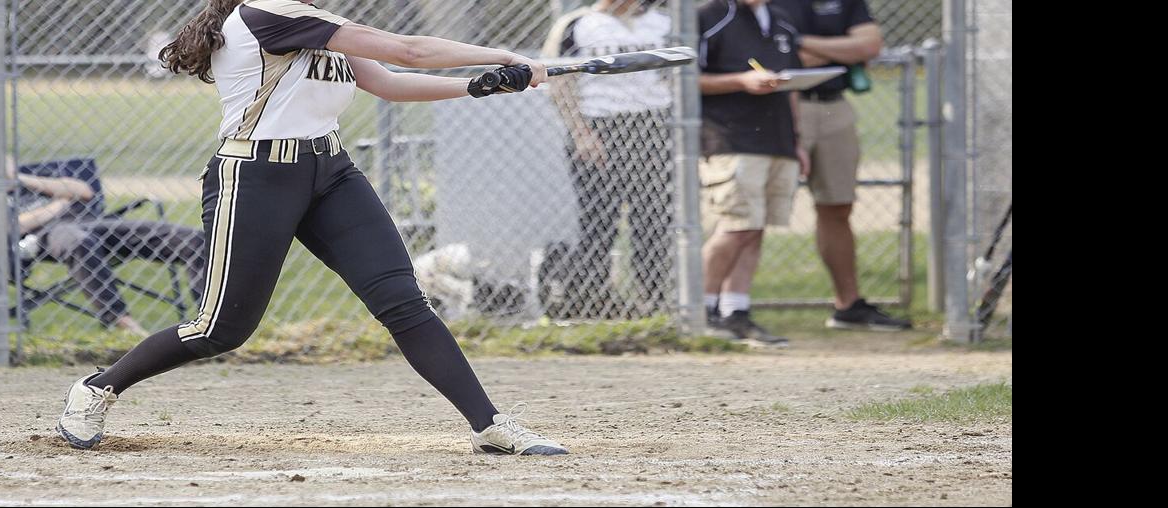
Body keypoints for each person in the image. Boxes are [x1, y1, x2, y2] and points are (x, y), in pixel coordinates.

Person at [56, 0, 568, 456]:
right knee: (221, 329)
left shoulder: (316, 23)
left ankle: (489, 424)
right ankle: (98, 387)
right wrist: (503, 56)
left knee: (404, 302)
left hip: (331, 172)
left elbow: (388, 83)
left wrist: (477, 86)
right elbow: (409, 50)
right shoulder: (268, 13)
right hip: (256, 177)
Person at [0, 134, 207, 337]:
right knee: (79, 242)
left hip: (97, 223)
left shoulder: (32, 176)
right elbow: (13, 227)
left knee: (193, 239)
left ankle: (207, 319)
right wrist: (57, 205)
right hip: (49, 236)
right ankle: (122, 322)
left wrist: (20, 179)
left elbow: (83, 190)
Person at [770, 0, 911, 330]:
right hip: (779, 107)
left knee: (838, 206)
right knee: (752, 212)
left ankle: (848, 306)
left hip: (835, 107)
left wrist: (800, 41)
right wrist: (840, 52)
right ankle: (729, 306)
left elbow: (869, 45)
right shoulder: (766, 5)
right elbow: (776, 59)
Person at [541, 0, 674, 319]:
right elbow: (560, 81)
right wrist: (581, 132)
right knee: (600, 219)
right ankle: (595, 297)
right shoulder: (579, 24)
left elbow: (674, 78)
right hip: (601, 123)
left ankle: (653, 298)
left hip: (653, 121)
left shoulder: (664, 23)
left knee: (653, 218)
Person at [697, 0, 808, 346]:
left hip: (776, 138)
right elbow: (688, 79)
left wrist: (796, 139)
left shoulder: (781, 19)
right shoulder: (709, 16)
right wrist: (741, 81)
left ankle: (736, 311)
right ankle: (701, 310)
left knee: (755, 227)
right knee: (736, 225)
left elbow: (789, 85)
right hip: (730, 137)